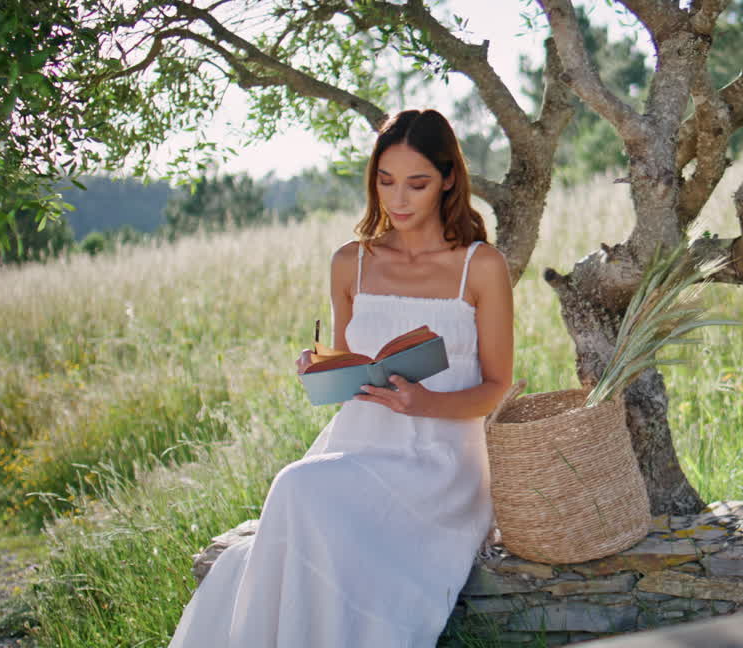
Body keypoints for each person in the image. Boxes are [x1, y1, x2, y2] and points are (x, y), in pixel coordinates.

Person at [167, 109, 515, 647]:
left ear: (448, 179)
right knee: (297, 487)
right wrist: (320, 368)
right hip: (359, 443)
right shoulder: (350, 263)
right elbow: (353, 364)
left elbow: (497, 386)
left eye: (417, 184)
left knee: (299, 489)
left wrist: (423, 404)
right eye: (386, 181)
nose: (399, 200)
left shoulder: (480, 266)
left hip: (440, 464)